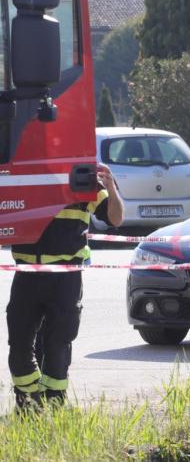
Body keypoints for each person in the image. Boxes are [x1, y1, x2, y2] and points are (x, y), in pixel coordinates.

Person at [8, 164, 124, 410]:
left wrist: (111, 188)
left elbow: (115, 218)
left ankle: (55, 406)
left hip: (65, 277)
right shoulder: (18, 173)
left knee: (58, 344)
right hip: (27, 273)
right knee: (19, 347)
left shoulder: (82, 176)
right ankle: (29, 404)